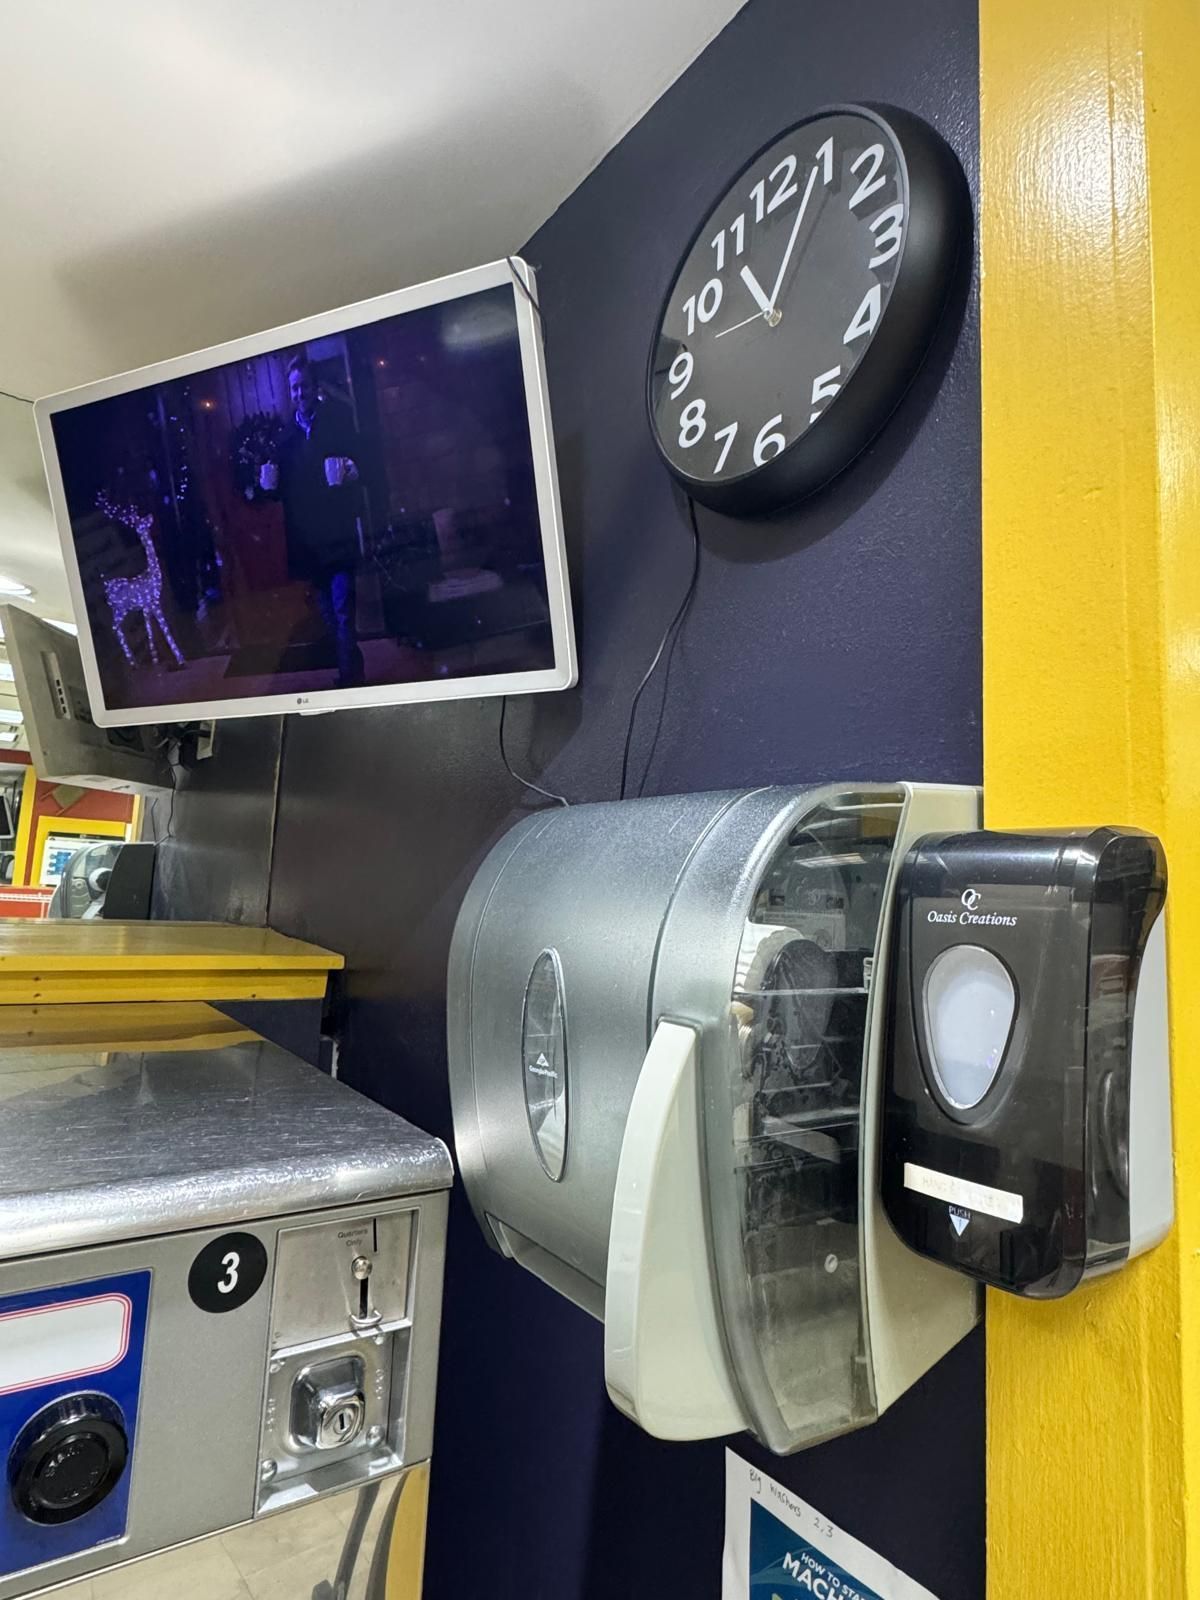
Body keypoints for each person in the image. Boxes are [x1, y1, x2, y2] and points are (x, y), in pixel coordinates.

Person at [261, 354, 366, 686]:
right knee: (329, 615)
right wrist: (267, 487)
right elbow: (277, 494)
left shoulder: (338, 420)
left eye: (304, 385)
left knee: (343, 611)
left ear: (314, 386)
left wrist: (350, 472)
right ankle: (354, 665)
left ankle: (350, 682)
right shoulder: (284, 437)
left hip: (338, 533)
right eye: (294, 388)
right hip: (308, 542)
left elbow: (364, 464)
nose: (299, 393)